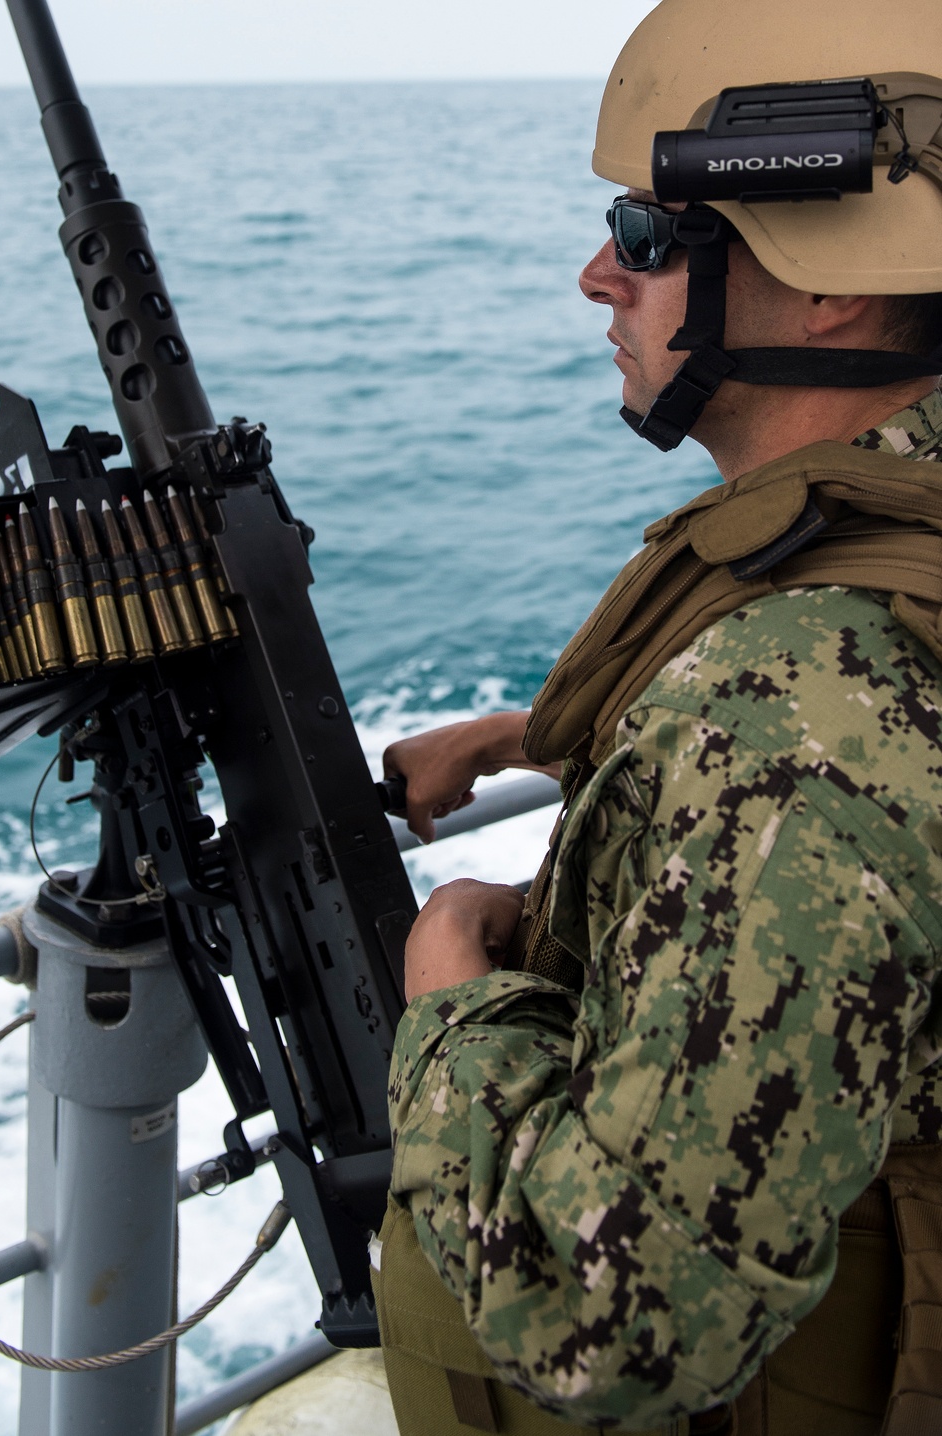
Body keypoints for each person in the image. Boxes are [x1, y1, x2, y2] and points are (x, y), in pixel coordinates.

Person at [371, 4, 942, 1434]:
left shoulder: (785, 733)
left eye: (644, 235)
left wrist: (451, 998)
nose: (595, 278)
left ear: (831, 293)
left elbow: (609, 1317)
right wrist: (529, 733)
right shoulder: (884, 548)